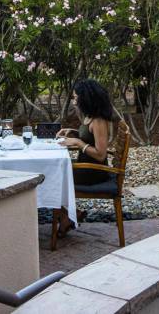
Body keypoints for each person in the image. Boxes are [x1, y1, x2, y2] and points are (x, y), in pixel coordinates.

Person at [56, 78, 114, 236]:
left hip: (93, 172)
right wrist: (72, 132)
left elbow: (101, 154)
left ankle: (65, 216)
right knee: (53, 174)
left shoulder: (99, 121)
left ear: (86, 98)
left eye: (76, 97)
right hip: (84, 166)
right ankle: (69, 214)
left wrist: (77, 141)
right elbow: (88, 137)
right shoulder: (89, 116)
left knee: (51, 178)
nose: (74, 100)